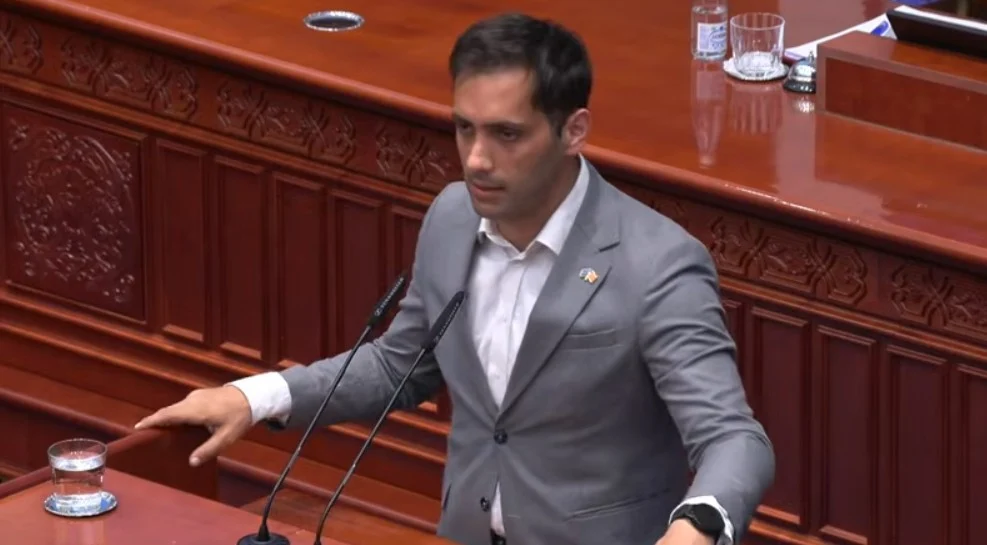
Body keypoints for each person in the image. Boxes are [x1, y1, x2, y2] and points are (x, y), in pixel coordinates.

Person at [136, 11, 774, 545]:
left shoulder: (656, 263)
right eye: (464, 128)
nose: (476, 159)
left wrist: (696, 527)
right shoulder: (451, 216)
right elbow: (400, 366)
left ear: (573, 131)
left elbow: (732, 437)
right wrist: (256, 398)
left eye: (506, 134)